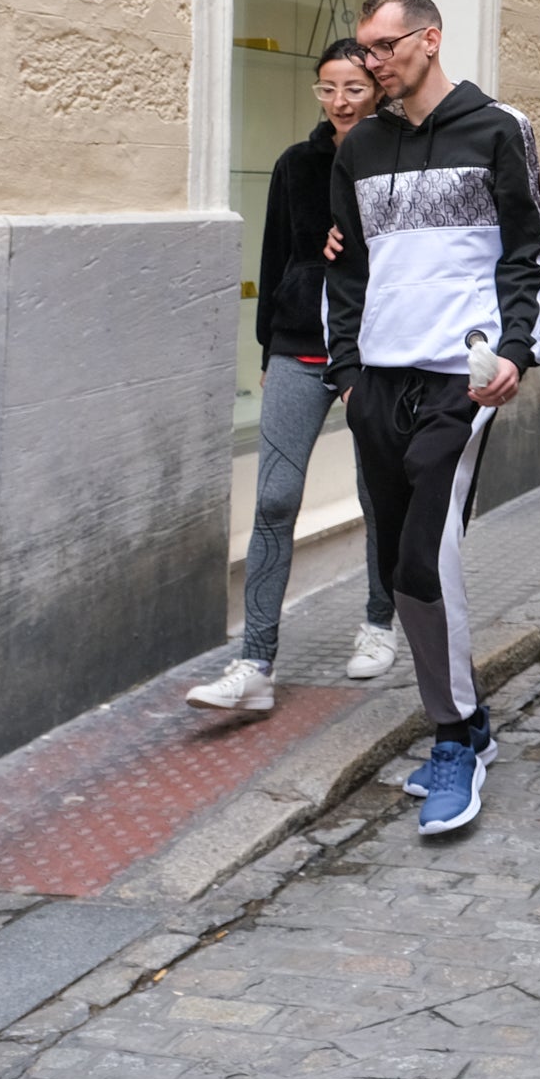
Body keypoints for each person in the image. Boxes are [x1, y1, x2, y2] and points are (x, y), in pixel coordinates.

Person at [325, 0, 540, 836]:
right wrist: (347, 374)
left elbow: (528, 254)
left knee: (427, 559)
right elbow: (343, 270)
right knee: (395, 566)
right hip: (377, 382)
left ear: (428, 40)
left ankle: (454, 736)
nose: (370, 63)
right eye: (364, 49)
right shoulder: (361, 148)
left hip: (460, 380)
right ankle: (467, 723)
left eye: (382, 48)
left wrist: (516, 352)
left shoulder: (499, 128)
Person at [187, 40, 400, 716]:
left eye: (354, 89)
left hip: (375, 352)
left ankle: (378, 621)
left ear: (379, 92)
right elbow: (277, 255)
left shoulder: (399, 162)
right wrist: (267, 348)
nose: (340, 101)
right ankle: (254, 663)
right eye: (328, 89)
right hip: (300, 347)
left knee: (378, 496)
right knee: (274, 500)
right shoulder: (296, 164)